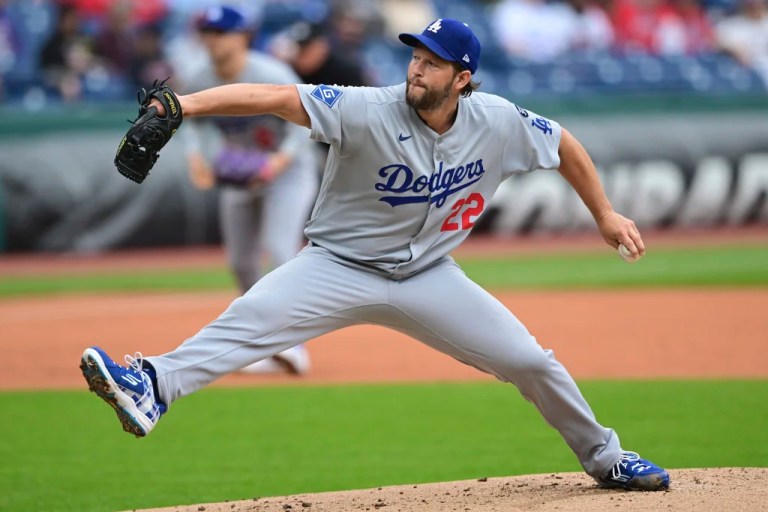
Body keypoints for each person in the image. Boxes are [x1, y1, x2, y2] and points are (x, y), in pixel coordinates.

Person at [80, 18, 670, 491]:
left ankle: (606, 459)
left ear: (462, 78)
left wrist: (604, 214)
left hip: (429, 275)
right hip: (336, 265)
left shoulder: (498, 122)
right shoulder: (365, 106)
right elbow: (271, 97)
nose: (417, 68)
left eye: (432, 62)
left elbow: (562, 143)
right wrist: (180, 107)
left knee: (531, 361)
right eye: (415, 56)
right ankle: (151, 385)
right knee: (249, 319)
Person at [180, 6, 319, 374]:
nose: (212, 40)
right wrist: (197, 157)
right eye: (207, 32)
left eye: (220, 32)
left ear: (242, 36)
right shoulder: (199, 74)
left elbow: (308, 122)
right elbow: (190, 122)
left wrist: (277, 163)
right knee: (241, 262)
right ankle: (260, 344)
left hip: (287, 171)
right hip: (241, 171)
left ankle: (294, 344)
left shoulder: (270, 73)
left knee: (279, 249)